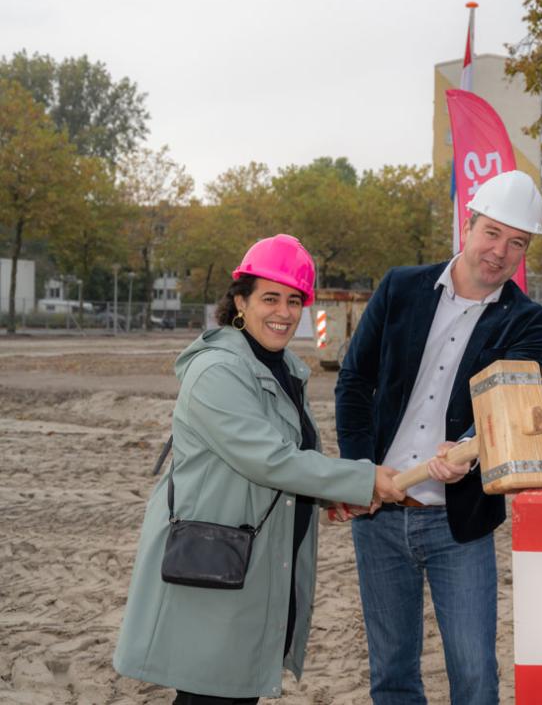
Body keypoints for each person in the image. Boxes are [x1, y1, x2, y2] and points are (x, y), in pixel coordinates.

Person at [114, 234, 404, 704]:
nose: (284, 312)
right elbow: (269, 459)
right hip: (217, 564)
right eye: (270, 297)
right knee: (211, 695)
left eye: (294, 301)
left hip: (258, 561)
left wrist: (332, 495)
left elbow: (287, 459)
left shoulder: (282, 368)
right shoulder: (218, 371)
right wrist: (364, 478)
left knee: (230, 693)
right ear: (240, 303)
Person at [334, 170, 542, 705]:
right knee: (392, 675)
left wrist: (469, 453)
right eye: (492, 232)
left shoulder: (527, 320)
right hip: (381, 514)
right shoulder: (401, 287)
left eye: (516, 242)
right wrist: (362, 473)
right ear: (467, 226)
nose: (500, 251)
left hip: (460, 523)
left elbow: (508, 404)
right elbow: (354, 381)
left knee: (475, 676)